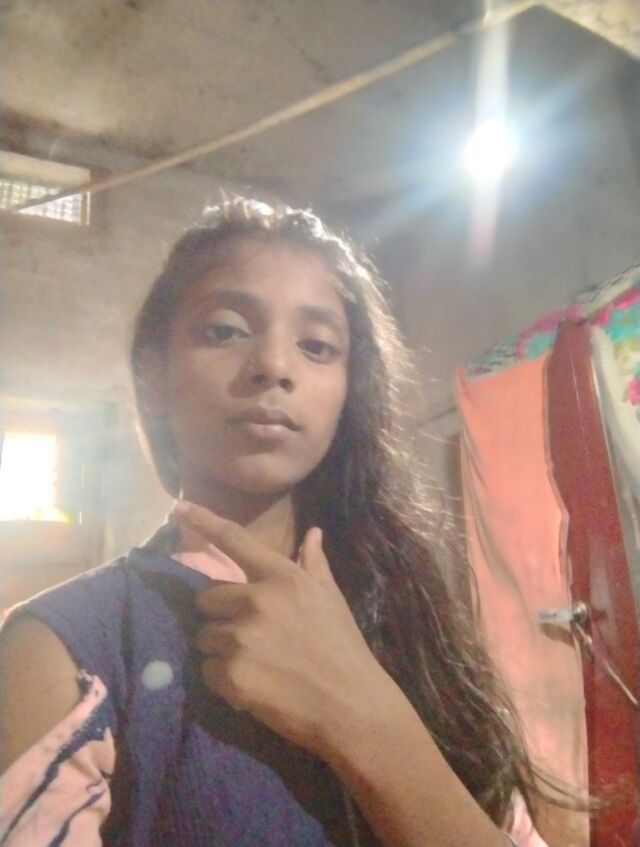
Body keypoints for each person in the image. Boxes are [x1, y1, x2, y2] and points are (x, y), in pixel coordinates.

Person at [0, 198, 548, 847]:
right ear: (153, 373)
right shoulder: (64, 648)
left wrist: (366, 718)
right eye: (225, 330)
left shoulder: (412, 615)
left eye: (316, 346)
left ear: (348, 389)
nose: (274, 366)